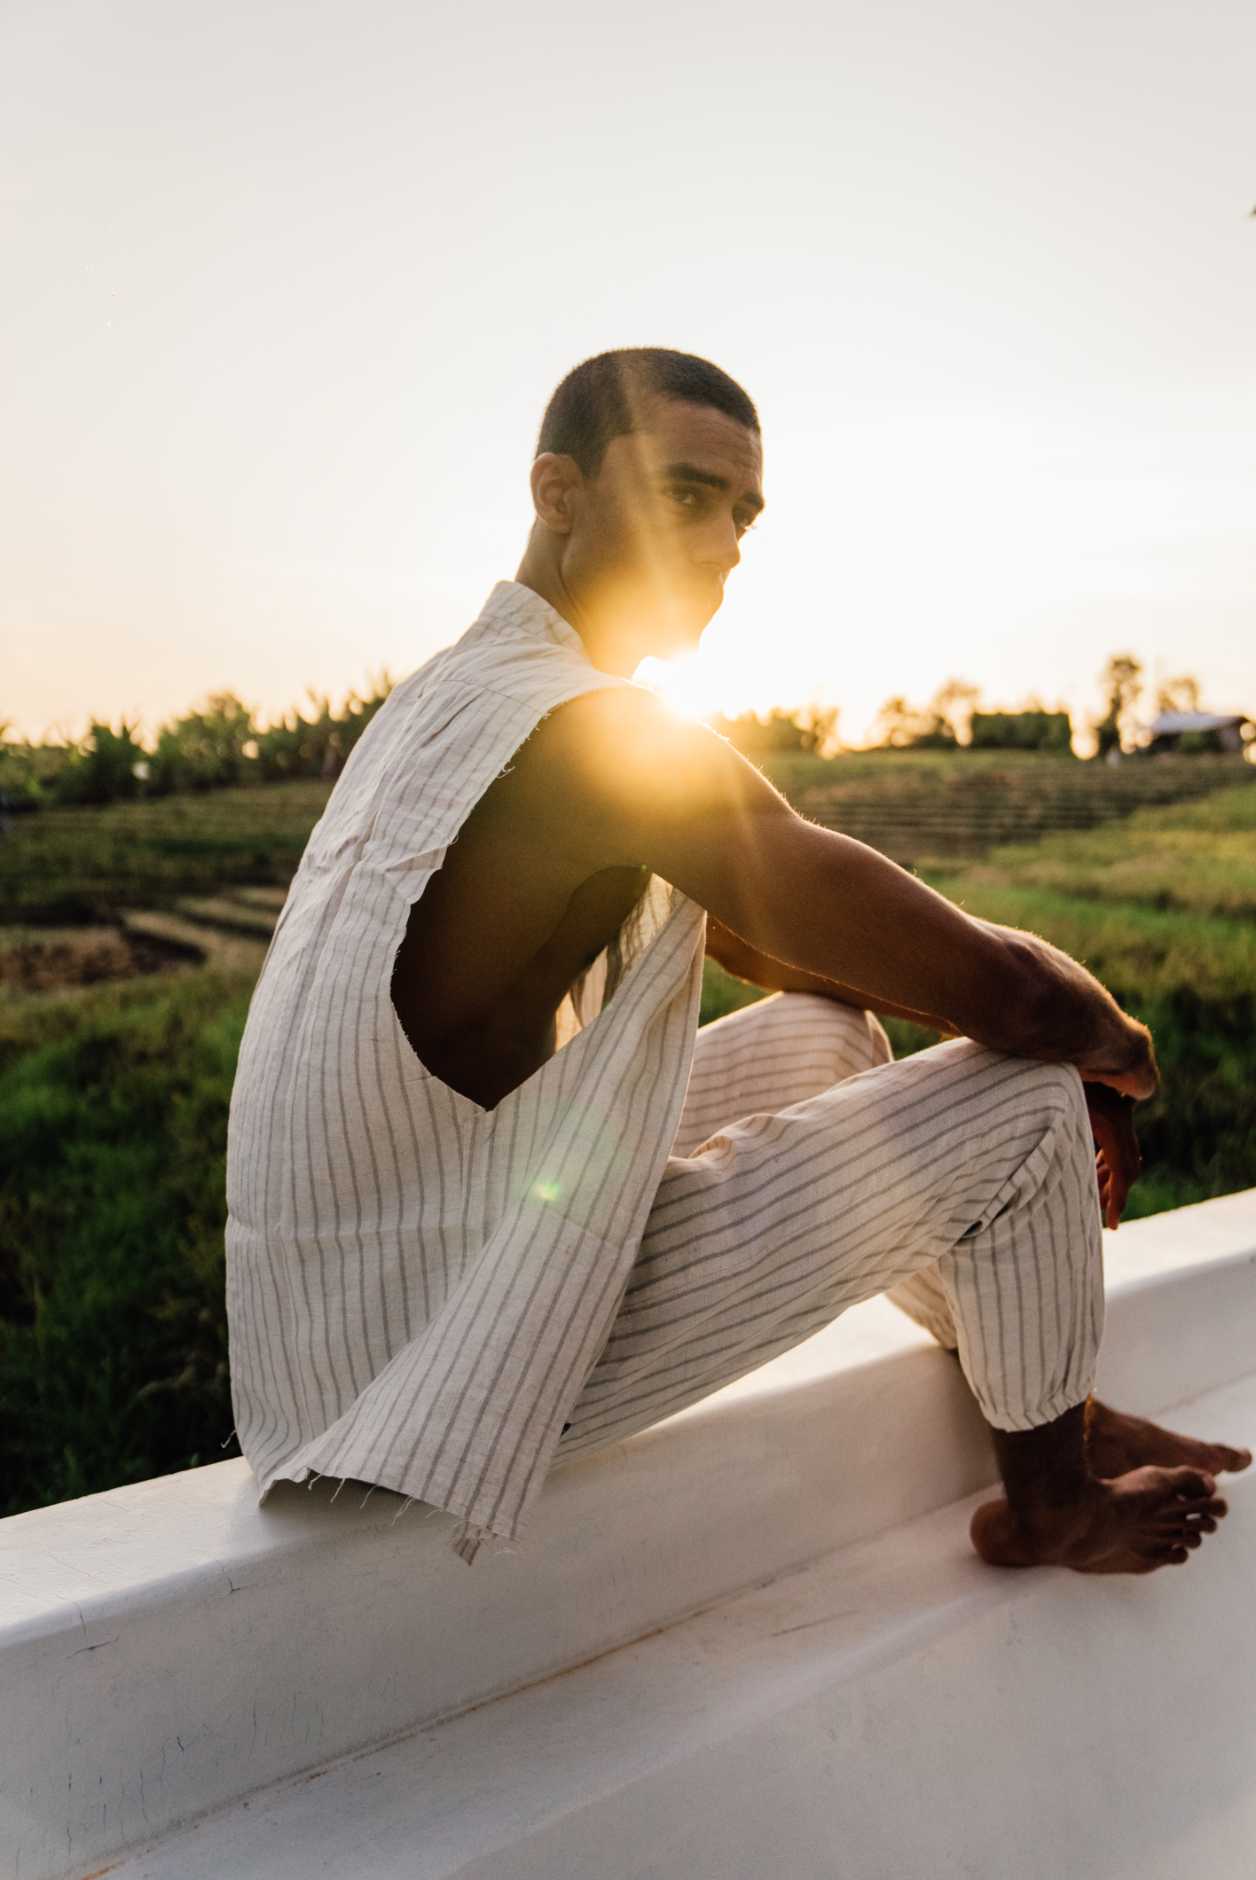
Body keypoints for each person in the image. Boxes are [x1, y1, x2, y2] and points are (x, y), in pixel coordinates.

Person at [225, 347, 1248, 1572]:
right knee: (1027, 1096)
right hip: (431, 1361)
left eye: (741, 511)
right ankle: (1053, 1500)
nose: (723, 543)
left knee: (826, 1033)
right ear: (557, 494)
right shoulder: (590, 732)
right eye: (684, 494)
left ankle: (1045, 1386)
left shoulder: (453, 694)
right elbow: (1016, 997)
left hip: (354, 1306)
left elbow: (771, 941)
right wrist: (1112, 1048)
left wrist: (1008, 1007)